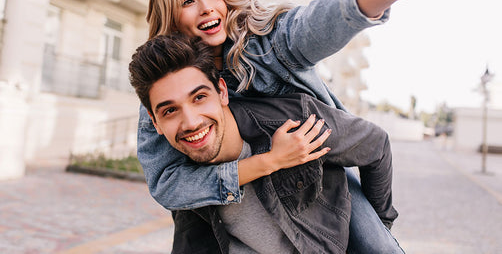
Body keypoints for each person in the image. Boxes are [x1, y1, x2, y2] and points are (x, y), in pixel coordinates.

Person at [135, 0, 500, 253]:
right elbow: (167, 183)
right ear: (170, 14)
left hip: (318, 179)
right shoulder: (162, 90)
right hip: (236, 206)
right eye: (188, 1)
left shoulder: (263, 42)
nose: (207, 7)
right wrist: (265, 162)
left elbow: (314, 24)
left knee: (377, 245)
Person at [129, 33, 400, 254]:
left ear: (222, 92)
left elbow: (375, 145)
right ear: (155, 124)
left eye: (199, 98)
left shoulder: (294, 123)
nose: (190, 122)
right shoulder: (185, 186)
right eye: (169, 111)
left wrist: (378, 229)